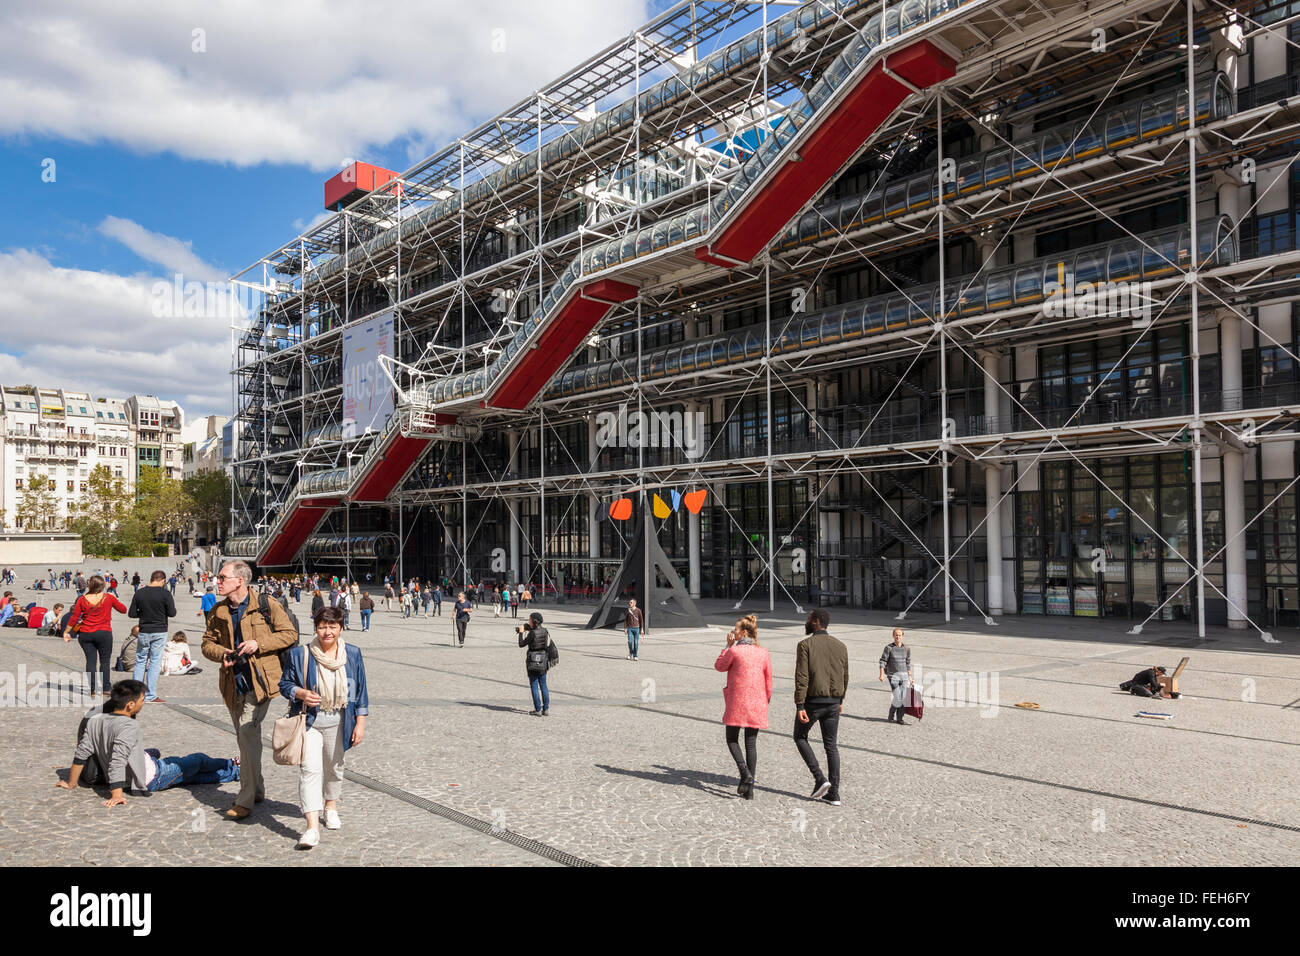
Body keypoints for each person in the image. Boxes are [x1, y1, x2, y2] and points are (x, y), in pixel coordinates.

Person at [200, 559, 299, 820]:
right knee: (246, 739)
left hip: (260, 682)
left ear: (239, 581)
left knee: (247, 734)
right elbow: (206, 643)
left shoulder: (265, 605)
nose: (217, 581)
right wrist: (221, 653)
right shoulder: (218, 611)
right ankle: (257, 789)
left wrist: (259, 643)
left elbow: (289, 634)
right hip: (232, 683)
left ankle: (245, 801)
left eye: (222, 577)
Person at [55, 680, 238, 804]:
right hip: (152, 776)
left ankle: (233, 771)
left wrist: (72, 783)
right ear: (130, 705)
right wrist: (117, 794)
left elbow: (81, 754)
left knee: (187, 774)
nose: (144, 703)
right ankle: (232, 765)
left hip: (144, 766)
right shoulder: (128, 726)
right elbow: (118, 760)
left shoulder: (94, 720)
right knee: (197, 761)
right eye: (142, 700)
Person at [279, 606, 369, 849]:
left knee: (334, 767)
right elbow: (284, 684)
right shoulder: (300, 654)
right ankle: (311, 828)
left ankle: (330, 806)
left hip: (340, 720)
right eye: (322, 627)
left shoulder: (352, 653)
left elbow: (360, 690)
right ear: (315, 628)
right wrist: (300, 692)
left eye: (332, 627)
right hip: (309, 721)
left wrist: (360, 723)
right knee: (310, 770)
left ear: (340, 628)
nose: (327, 632)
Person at [714, 614, 772, 800]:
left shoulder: (735, 651)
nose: (733, 632)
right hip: (757, 703)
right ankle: (750, 791)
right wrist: (766, 700)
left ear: (744, 632)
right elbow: (768, 680)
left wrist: (727, 646)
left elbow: (719, 666)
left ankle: (744, 773)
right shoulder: (763, 652)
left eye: (735, 630)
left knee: (731, 738)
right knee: (751, 744)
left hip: (737, 702)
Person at [794, 608, 848, 806]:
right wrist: (840, 700)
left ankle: (819, 778)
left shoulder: (805, 645)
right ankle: (834, 793)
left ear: (816, 621)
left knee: (799, 736)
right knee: (831, 746)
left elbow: (802, 676)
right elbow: (845, 675)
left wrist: (800, 704)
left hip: (813, 702)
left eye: (809, 618)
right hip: (834, 703)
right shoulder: (840, 646)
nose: (806, 621)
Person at [64, 575, 128, 698]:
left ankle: (92, 689)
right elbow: (123, 610)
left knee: (91, 661)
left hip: (86, 633)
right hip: (104, 633)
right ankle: (106, 688)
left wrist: (66, 632)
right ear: (103, 585)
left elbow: (74, 617)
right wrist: (114, 600)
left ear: (90, 585)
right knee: (105, 662)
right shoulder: (108, 597)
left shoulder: (82, 599)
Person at [128, 570, 177, 703]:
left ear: (151, 579)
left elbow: (131, 613)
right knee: (155, 662)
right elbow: (172, 613)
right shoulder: (165, 594)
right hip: (159, 630)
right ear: (162, 580)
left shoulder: (139, 592)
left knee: (141, 661)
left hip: (144, 630)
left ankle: (136, 694)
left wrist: (144, 614)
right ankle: (150, 695)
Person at [517, 611, 555, 715]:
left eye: (529, 619)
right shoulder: (545, 631)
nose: (528, 621)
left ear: (534, 621)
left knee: (534, 685)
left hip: (532, 661)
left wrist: (521, 632)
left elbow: (521, 644)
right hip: (543, 660)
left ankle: (537, 709)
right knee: (543, 685)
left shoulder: (532, 633)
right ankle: (546, 709)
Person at [879, 627, 914, 724]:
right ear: (893, 636)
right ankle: (891, 715)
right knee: (898, 696)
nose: (898, 637)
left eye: (899, 635)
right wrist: (881, 674)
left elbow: (908, 663)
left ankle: (899, 718)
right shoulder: (889, 648)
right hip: (892, 676)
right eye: (896, 635)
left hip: (904, 677)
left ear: (903, 636)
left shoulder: (906, 648)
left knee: (902, 697)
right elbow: (883, 661)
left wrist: (910, 677)